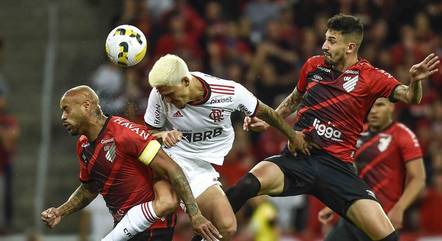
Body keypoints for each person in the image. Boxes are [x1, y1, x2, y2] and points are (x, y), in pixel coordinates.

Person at [223, 14, 439, 241]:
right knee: (246, 185)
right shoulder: (313, 66)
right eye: (326, 39)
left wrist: (415, 81)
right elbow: (295, 98)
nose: (325, 46)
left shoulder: (371, 77)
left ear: (350, 47)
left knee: (388, 237)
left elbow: (410, 97)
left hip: (337, 168)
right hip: (299, 158)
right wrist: (270, 120)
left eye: (332, 41)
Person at [138, 54, 307, 241]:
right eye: (164, 96)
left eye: (170, 95)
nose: (167, 100)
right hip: (172, 157)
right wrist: (162, 135)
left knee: (226, 227)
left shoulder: (228, 92)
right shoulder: (159, 94)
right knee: (165, 205)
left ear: (185, 81)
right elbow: (147, 134)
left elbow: (265, 112)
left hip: (200, 165)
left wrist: (292, 135)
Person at [40, 85, 221, 241]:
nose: (63, 117)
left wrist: (195, 214)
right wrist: (60, 211)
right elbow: (89, 188)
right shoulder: (83, 144)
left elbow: (172, 169)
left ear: (86, 106)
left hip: (153, 228)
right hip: (126, 228)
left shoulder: (124, 134)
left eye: (66, 109)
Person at [317, 97, 426, 241]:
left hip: (382, 219)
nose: (373, 111)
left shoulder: (403, 135)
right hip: (354, 215)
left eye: (380, 105)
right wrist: (333, 205)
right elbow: (350, 174)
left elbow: (418, 178)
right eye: (371, 106)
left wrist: (399, 208)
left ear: (392, 107)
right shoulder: (357, 133)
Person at [0, 80, 19, 232]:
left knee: (4, 197)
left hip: (3, 165)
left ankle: (4, 226)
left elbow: (8, 144)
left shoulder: (9, 121)